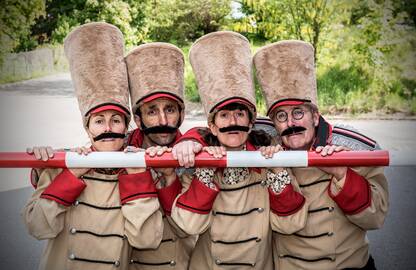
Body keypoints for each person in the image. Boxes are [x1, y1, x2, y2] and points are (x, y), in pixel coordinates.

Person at [158, 31, 308, 270]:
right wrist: (206, 171)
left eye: (240, 114)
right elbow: (189, 225)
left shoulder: (268, 161)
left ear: (251, 123)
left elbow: (291, 224)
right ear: (212, 126)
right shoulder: (198, 165)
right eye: (225, 115)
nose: (232, 122)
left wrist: (278, 169)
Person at [23, 22, 163, 270]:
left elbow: (147, 239)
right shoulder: (63, 166)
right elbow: (37, 227)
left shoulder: (141, 172)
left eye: (116, 120)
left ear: (126, 128)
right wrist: (71, 175)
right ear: (88, 129)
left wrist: (138, 179)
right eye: (99, 121)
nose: (108, 127)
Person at [253, 40, 389, 270]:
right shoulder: (266, 150)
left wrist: (341, 174)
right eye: (281, 116)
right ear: (273, 123)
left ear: (315, 117)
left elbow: (376, 217)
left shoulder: (351, 146)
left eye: (298, 113)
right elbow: (215, 133)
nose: (291, 123)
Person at [124, 42, 197, 270]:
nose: (163, 121)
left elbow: (188, 227)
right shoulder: (117, 150)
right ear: (138, 119)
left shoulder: (196, 152)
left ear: (182, 114)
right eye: (152, 111)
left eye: (170, 109)